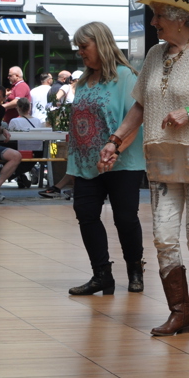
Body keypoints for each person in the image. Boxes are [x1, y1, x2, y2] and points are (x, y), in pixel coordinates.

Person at [99, 0, 189, 336]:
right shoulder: (155, 56)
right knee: (163, 238)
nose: (154, 22)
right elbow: (141, 106)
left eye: (158, 15)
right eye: (154, 15)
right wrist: (115, 141)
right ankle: (180, 313)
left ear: (180, 20)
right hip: (162, 159)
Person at [65, 22, 146, 297]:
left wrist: (116, 150)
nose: (80, 53)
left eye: (84, 47)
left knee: (125, 218)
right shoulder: (84, 81)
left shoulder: (126, 77)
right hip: (86, 164)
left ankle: (135, 269)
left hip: (122, 163)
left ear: (101, 44)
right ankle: (102, 275)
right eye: (78, 48)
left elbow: (134, 121)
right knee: (86, 214)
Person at [8, 97, 43, 188]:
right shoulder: (37, 121)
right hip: (36, 152)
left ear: (18, 108)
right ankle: (20, 174)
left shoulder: (14, 121)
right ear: (29, 108)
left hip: (19, 151)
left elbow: (10, 138)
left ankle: (17, 174)